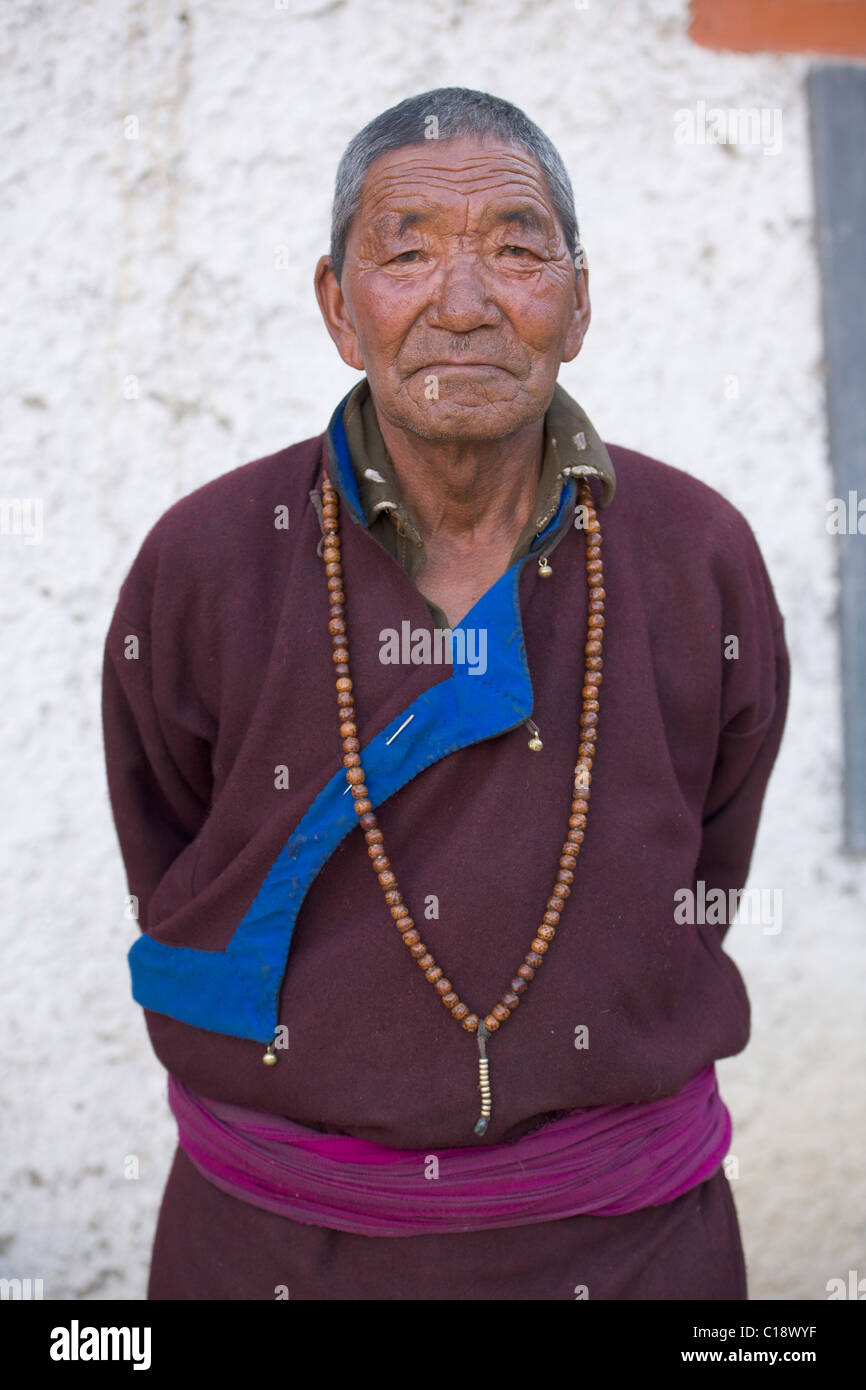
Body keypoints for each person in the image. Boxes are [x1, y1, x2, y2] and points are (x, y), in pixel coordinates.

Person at [102, 87, 789, 1300]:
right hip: (275, 1249)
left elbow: (703, 862)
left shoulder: (694, 554)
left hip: (625, 1244)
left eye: (517, 250)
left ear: (577, 304)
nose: (462, 303)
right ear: (335, 303)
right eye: (406, 250)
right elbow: (173, 854)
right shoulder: (209, 559)